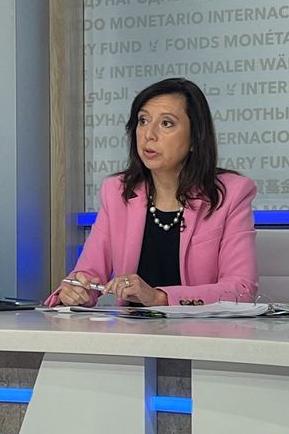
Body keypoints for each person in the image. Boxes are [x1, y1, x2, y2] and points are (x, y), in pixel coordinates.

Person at [45, 77, 257, 307]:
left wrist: (159, 298)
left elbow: (242, 289)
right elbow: (87, 273)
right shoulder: (118, 192)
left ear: (195, 138)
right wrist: (75, 292)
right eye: (143, 121)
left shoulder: (230, 194)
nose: (149, 134)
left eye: (166, 123)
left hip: (203, 336)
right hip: (134, 336)